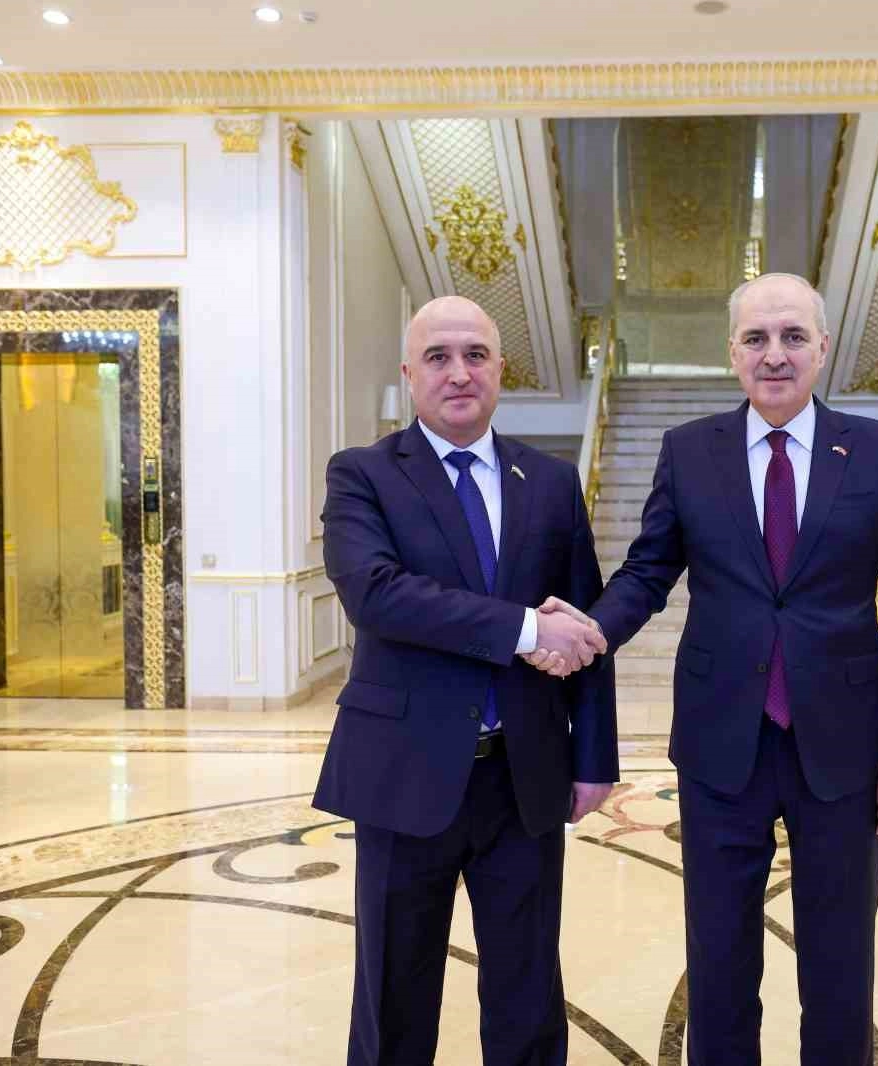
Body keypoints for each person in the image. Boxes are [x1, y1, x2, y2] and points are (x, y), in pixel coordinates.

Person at [535, 272, 878, 1064]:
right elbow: (648, 572)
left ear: (823, 348)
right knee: (719, 957)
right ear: (733, 352)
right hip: (722, 742)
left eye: (793, 337)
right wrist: (589, 630)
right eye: (756, 338)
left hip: (846, 748)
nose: (775, 355)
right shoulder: (690, 452)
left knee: (840, 959)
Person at [313, 295, 618, 1066]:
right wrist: (525, 631)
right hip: (402, 773)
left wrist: (594, 759)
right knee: (394, 990)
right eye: (439, 357)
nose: (459, 373)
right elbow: (376, 594)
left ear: (500, 370)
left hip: (525, 777)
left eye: (475, 355)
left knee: (528, 990)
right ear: (409, 373)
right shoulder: (363, 475)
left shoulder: (550, 482)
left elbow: (584, 626)